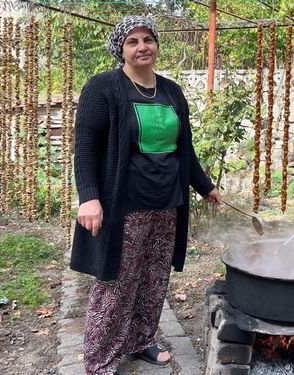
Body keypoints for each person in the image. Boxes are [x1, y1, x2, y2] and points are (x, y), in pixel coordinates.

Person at [71, 16, 222, 375]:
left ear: (156, 45)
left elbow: (184, 149)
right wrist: (89, 197)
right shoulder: (104, 87)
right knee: (116, 284)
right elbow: (86, 147)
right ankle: (100, 361)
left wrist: (205, 186)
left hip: (167, 203)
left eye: (148, 40)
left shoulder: (172, 91)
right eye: (133, 42)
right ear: (121, 50)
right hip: (124, 206)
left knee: (154, 279)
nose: (142, 47)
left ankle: (141, 341)